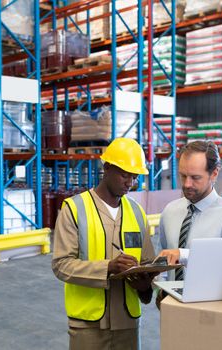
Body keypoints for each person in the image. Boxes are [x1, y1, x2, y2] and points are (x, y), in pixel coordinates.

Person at [52, 138, 157, 350]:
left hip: (127, 323)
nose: (130, 182)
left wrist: (146, 286)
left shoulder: (137, 213)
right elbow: (62, 265)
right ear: (106, 168)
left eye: (134, 176)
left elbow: (147, 263)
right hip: (88, 324)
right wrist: (108, 267)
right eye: (125, 174)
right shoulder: (74, 209)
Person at [155, 140, 222, 306]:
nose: (186, 184)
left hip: (212, 311)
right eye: (183, 176)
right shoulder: (170, 212)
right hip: (171, 309)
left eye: (195, 177)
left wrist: (184, 255)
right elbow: (163, 260)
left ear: (214, 173)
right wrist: (160, 289)